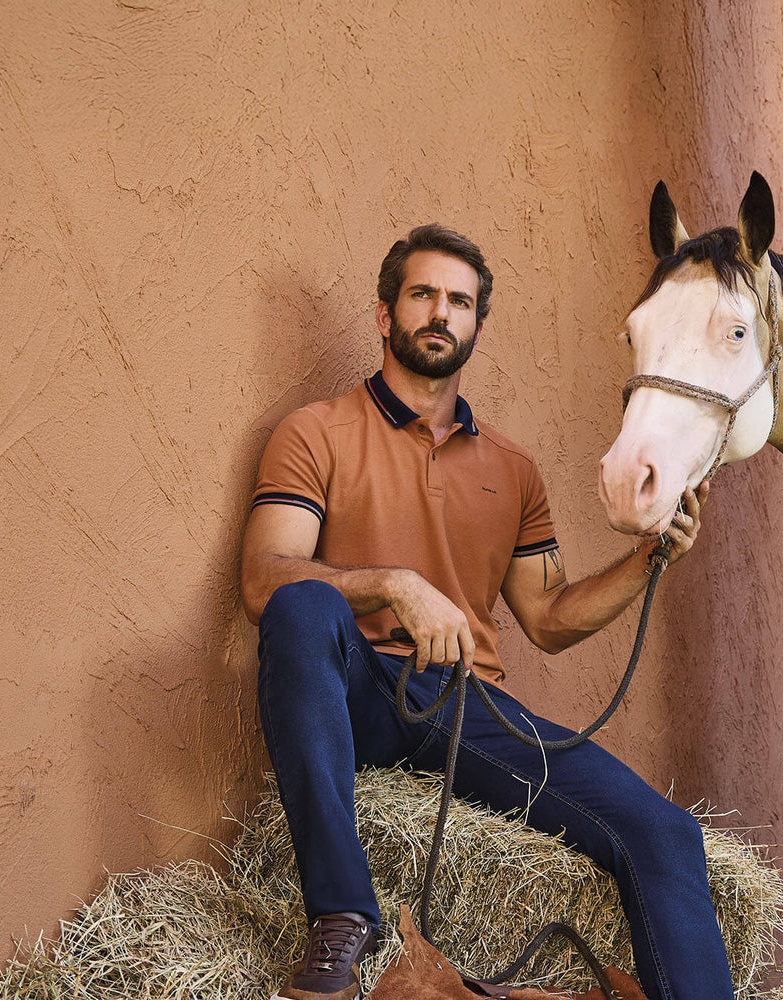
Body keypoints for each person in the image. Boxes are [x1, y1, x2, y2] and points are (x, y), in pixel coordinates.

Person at [240, 224, 731, 1000]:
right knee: (302, 605)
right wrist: (396, 584)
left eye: (460, 302)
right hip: (355, 687)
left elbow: (550, 618)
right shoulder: (315, 432)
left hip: (466, 707)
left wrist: (648, 559)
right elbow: (264, 580)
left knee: (665, 833)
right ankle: (342, 917)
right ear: (385, 314)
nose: (441, 312)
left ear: (477, 324)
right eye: (423, 294)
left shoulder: (512, 469)